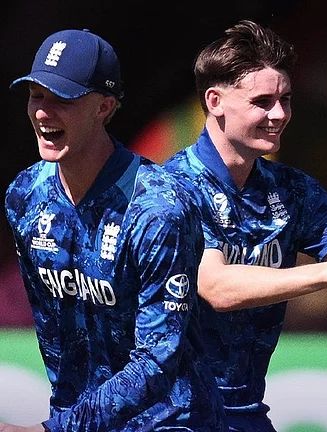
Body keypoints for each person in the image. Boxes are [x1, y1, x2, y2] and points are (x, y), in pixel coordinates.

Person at [161, 20, 327, 431]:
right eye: (262, 101)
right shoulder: (169, 188)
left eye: (286, 99)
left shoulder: (293, 191)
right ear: (215, 101)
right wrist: (325, 273)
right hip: (170, 414)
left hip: (245, 412)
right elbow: (216, 287)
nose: (279, 114)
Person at [2, 29, 227, 431]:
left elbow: (159, 361)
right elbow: (56, 335)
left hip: (171, 422)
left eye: (63, 99)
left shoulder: (158, 208)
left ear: (104, 107)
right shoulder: (24, 195)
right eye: (37, 95)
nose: (42, 112)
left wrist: (57, 429)